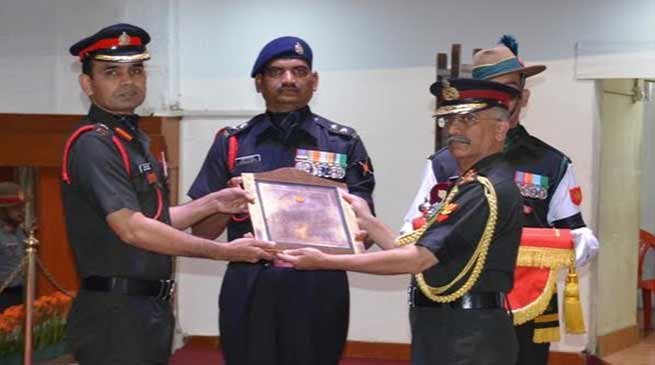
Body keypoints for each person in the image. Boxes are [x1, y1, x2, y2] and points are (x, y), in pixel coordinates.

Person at [61, 23, 273, 365]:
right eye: (112, 72)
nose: (127, 81)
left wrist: (212, 202)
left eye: (136, 70)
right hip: (115, 314)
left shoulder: (133, 141)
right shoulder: (94, 144)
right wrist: (222, 251)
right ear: (87, 83)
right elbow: (134, 229)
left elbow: (155, 219)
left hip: (146, 309)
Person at [280, 78, 523, 365]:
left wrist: (324, 261)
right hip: (448, 326)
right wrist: (367, 219)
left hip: (470, 335)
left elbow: (416, 260)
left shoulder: (485, 189)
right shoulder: (467, 184)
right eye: (449, 120)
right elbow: (414, 248)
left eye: (467, 119)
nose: (454, 130)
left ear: (500, 128)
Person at [401, 36, 600, 365]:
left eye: (512, 89)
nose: (506, 99)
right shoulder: (444, 163)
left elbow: (575, 232)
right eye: (494, 90)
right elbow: (412, 227)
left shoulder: (552, 163)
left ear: (525, 96)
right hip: (459, 301)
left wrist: (575, 244)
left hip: (528, 300)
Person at [188, 36, 375, 365]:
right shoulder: (232, 143)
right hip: (250, 282)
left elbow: (367, 232)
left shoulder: (342, 142)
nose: (289, 80)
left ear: (313, 81)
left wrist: (346, 224)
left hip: (319, 282)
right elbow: (201, 234)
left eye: (299, 71)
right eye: (276, 72)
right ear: (259, 83)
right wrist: (225, 204)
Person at [0, 182, 26, 311]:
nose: (22, 211)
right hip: (4, 296)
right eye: (16, 208)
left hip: (22, 293)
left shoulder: (21, 232)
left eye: (22, 207)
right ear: (3, 209)